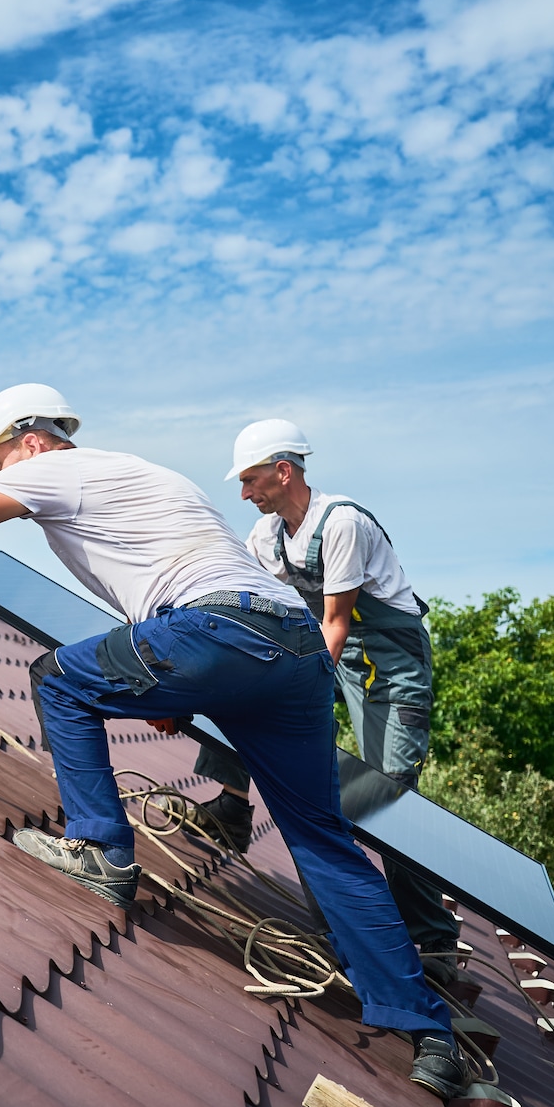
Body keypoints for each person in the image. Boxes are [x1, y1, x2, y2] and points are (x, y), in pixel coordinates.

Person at [0, 385, 469, 1098]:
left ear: (31, 441)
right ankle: (430, 1034)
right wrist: (182, 688)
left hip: (218, 629)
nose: (1, 478)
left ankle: (100, 848)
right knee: (322, 838)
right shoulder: (149, 476)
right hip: (298, 651)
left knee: (58, 679)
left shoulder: (52, 470)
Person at [219, 419, 463, 982]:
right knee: (237, 684)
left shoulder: (342, 523)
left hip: (389, 662)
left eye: (251, 479)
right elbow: (251, 602)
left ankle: (432, 940)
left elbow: (336, 621)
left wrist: (297, 691)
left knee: (389, 795)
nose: (245, 493)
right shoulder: (267, 536)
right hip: (332, 651)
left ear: (284, 472)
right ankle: (231, 804)